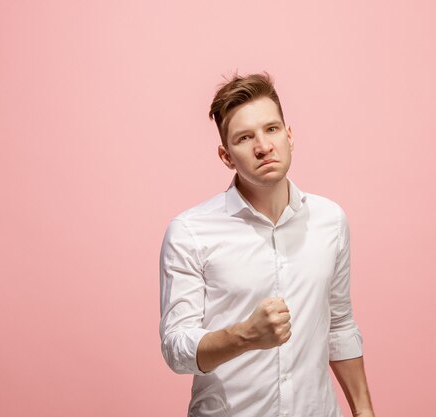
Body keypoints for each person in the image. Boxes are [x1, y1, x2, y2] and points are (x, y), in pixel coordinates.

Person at [159, 72, 376, 417]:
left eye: (272, 129)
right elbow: (176, 348)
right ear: (226, 155)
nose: (263, 146)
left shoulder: (330, 220)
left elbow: (340, 325)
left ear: (289, 136)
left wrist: (364, 411)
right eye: (244, 138)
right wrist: (244, 335)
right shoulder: (190, 232)